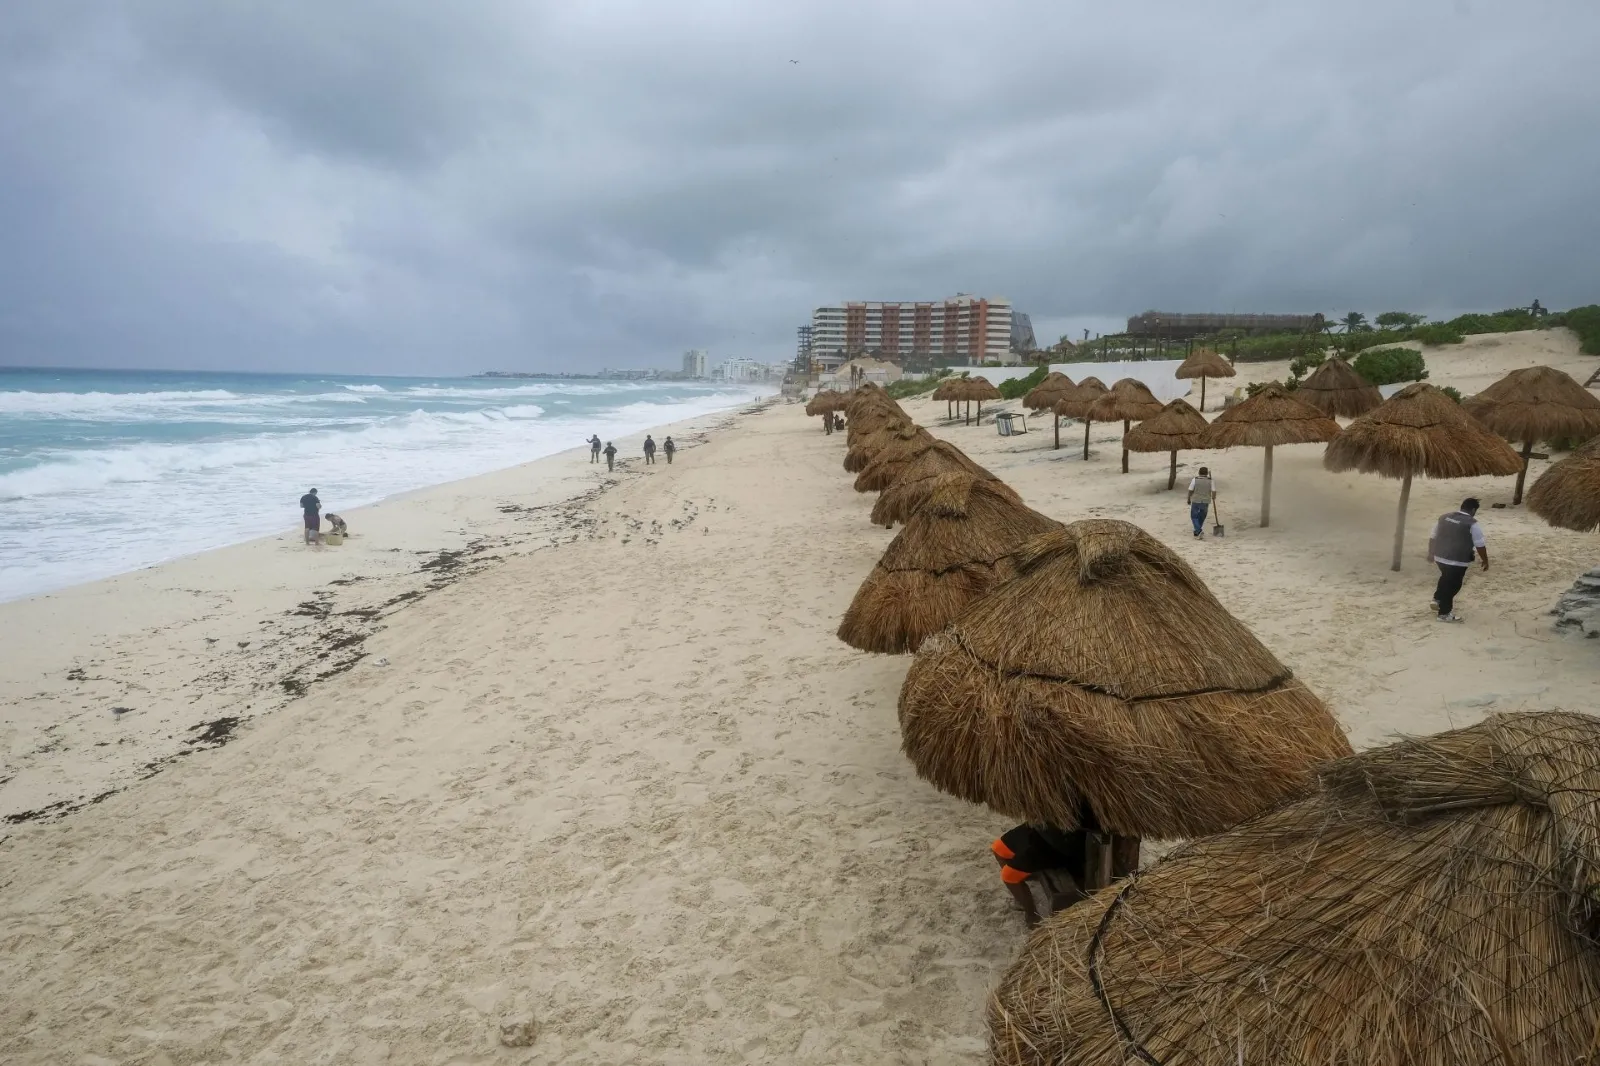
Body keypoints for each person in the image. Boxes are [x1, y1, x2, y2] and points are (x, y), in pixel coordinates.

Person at [991, 823, 1091, 927]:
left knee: (1009, 876)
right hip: (1041, 826)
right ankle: (1021, 893)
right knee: (998, 848)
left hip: (1058, 843)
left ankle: (1032, 915)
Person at [1427, 497, 1488, 623]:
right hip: (1457, 560)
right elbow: (1480, 544)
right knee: (1453, 585)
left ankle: (1437, 599)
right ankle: (1444, 613)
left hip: (1440, 557)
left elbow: (1433, 536)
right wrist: (1485, 560)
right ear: (1473, 509)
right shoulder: (1472, 523)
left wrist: (1431, 553)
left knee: (1445, 577)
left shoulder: (1443, 517)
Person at [1186, 467, 1216, 538]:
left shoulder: (1195, 479)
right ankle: (1197, 531)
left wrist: (1188, 498)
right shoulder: (1211, 480)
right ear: (1206, 473)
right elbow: (1214, 491)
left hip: (1196, 500)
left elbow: (1190, 490)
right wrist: (1213, 497)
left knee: (1194, 516)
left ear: (1199, 472)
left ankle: (1198, 530)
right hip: (1206, 501)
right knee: (1202, 515)